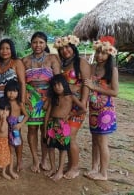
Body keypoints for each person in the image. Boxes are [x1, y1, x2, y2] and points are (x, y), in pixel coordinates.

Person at [22, 31, 61, 173]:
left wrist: (50, 99)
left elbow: (58, 81)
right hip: (31, 100)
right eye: (35, 42)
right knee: (32, 129)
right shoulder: (25, 61)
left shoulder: (52, 59)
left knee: (45, 130)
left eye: (41, 42)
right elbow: (21, 81)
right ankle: (35, 159)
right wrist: (25, 95)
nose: (37, 45)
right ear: (31, 44)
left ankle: (44, 159)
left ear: (45, 44)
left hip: (49, 98)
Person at [53, 34, 91, 179]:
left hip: (77, 106)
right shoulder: (62, 64)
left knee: (70, 136)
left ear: (73, 47)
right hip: (65, 106)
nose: (65, 51)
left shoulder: (81, 62)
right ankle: (70, 163)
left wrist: (83, 103)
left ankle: (74, 167)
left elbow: (86, 84)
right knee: (65, 135)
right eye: (62, 49)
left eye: (67, 47)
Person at [83, 36, 118, 181]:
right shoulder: (92, 68)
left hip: (106, 110)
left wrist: (94, 87)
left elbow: (115, 92)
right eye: (98, 52)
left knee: (102, 142)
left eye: (103, 53)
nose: (100, 56)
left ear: (109, 54)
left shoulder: (112, 70)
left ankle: (103, 173)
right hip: (93, 109)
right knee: (95, 140)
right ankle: (94, 168)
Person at [0, 38, 26, 171]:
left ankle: (19, 161)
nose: (4, 51)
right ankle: (4, 160)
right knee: (2, 132)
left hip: (14, 102)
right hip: (0, 104)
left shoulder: (17, 63)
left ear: (12, 50)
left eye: (7, 48)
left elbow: (22, 83)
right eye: (2, 48)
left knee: (16, 132)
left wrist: (21, 101)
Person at [44, 74, 86, 181]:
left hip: (63, 125)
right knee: (50, 147)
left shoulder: (71, 96)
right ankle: (53, 168)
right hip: (52, 124)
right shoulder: (54, 98)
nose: (57, 87)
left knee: (63, 149)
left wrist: (71, 115)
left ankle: (60, 171)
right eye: (54, 85)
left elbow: (83, 109)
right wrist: (45, 128)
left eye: (59, 84)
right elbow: (48, 112)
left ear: (64, 84)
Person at [4, 80, 29, 178]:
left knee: (18, 143)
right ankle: (7, 163)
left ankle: (19, 161)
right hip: (5, 127)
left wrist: (20, 124)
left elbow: (26, 115)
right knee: (7, 144)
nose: (11, 94)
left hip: (15, 127)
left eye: (14, 91)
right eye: (9, 91)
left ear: (18, 92)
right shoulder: (3, 102)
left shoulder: (20, 104)